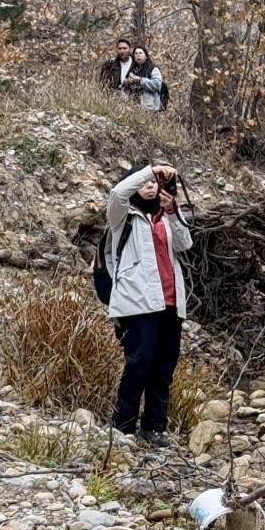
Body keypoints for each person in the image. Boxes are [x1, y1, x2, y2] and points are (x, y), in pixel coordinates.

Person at [104, 162, 193, 444]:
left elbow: (185, 244)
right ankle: (124, 425)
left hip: (169, 301)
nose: (151, 186)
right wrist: (151, 170)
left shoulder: (165, 218)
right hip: (137, 302)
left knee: (164, 366)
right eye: (146, 182)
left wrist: (173, 212)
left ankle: (154, 427)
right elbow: (118, 192)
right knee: (138, 363)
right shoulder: (122, 216)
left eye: (155, 183)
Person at [123, 47, 165, 112]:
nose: (138, 55)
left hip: (150, 107)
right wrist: (128, 81)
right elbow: (123, 87)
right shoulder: (132, 70)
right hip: (133, 106)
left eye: (140, 53)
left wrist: (140, 80)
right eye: (136, 53)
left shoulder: (153, 69)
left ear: (146, 56)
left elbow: (157, 84)